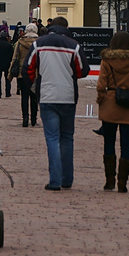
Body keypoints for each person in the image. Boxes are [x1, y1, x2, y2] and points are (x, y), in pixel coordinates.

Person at [23, 16, 89, 190]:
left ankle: (55, 181)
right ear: (66, 27)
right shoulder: (74, 45)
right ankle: (67, 179)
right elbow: (83, 71)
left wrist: (34, 86)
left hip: (47, 95)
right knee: (67, 138)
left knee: (52, 138)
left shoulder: (39, 44)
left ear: (51, 26)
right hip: (67, 95)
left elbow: (27, 68)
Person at [95, 31, 129, 192]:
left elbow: (101, 84)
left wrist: (101, 99)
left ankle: (109, 180)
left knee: (108, 142)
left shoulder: (107, 60)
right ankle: (123, 182)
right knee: (126, 144)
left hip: (110, 101)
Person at [11, 22, 39, 126]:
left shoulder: (20, 42)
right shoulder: (39, 43)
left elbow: (15, 58)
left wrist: (10, 74)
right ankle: (34, 118)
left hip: (22, 73)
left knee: (24, 97)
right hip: (36, 73)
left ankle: (25, 118)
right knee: (34, 97)